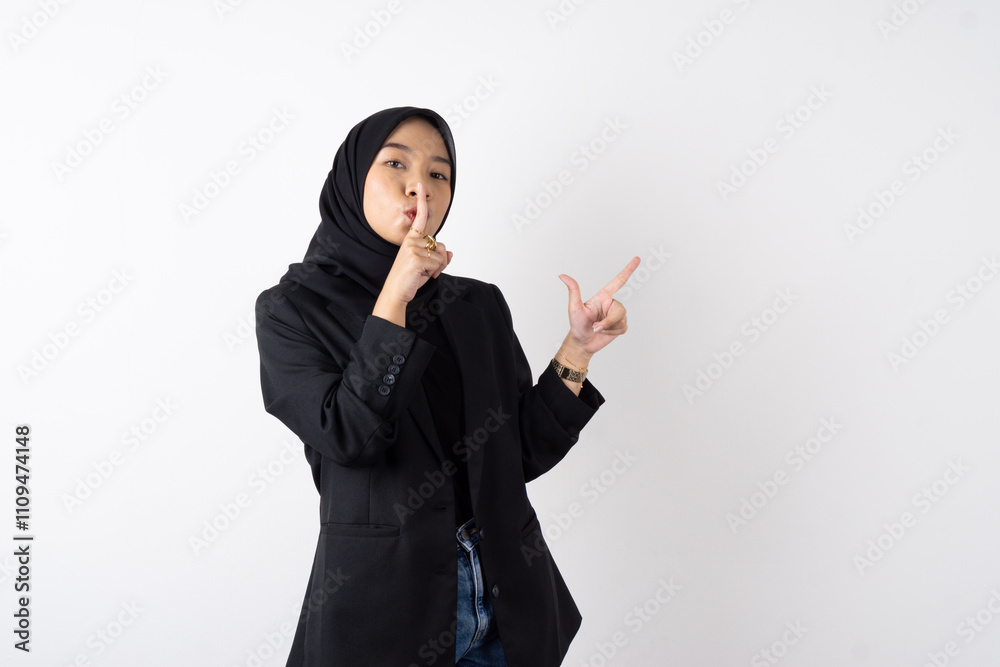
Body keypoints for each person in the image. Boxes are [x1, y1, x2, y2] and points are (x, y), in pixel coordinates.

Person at [254, 106, 639, 666]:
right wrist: (396, 296)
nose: (422, 187)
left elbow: (519, 454)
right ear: (351, 180)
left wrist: (577, 349)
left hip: (506, 595)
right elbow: (349, 436)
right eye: (396, 164)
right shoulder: (292, 309)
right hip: (386, 609)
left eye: (439, 173)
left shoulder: (476, 303)